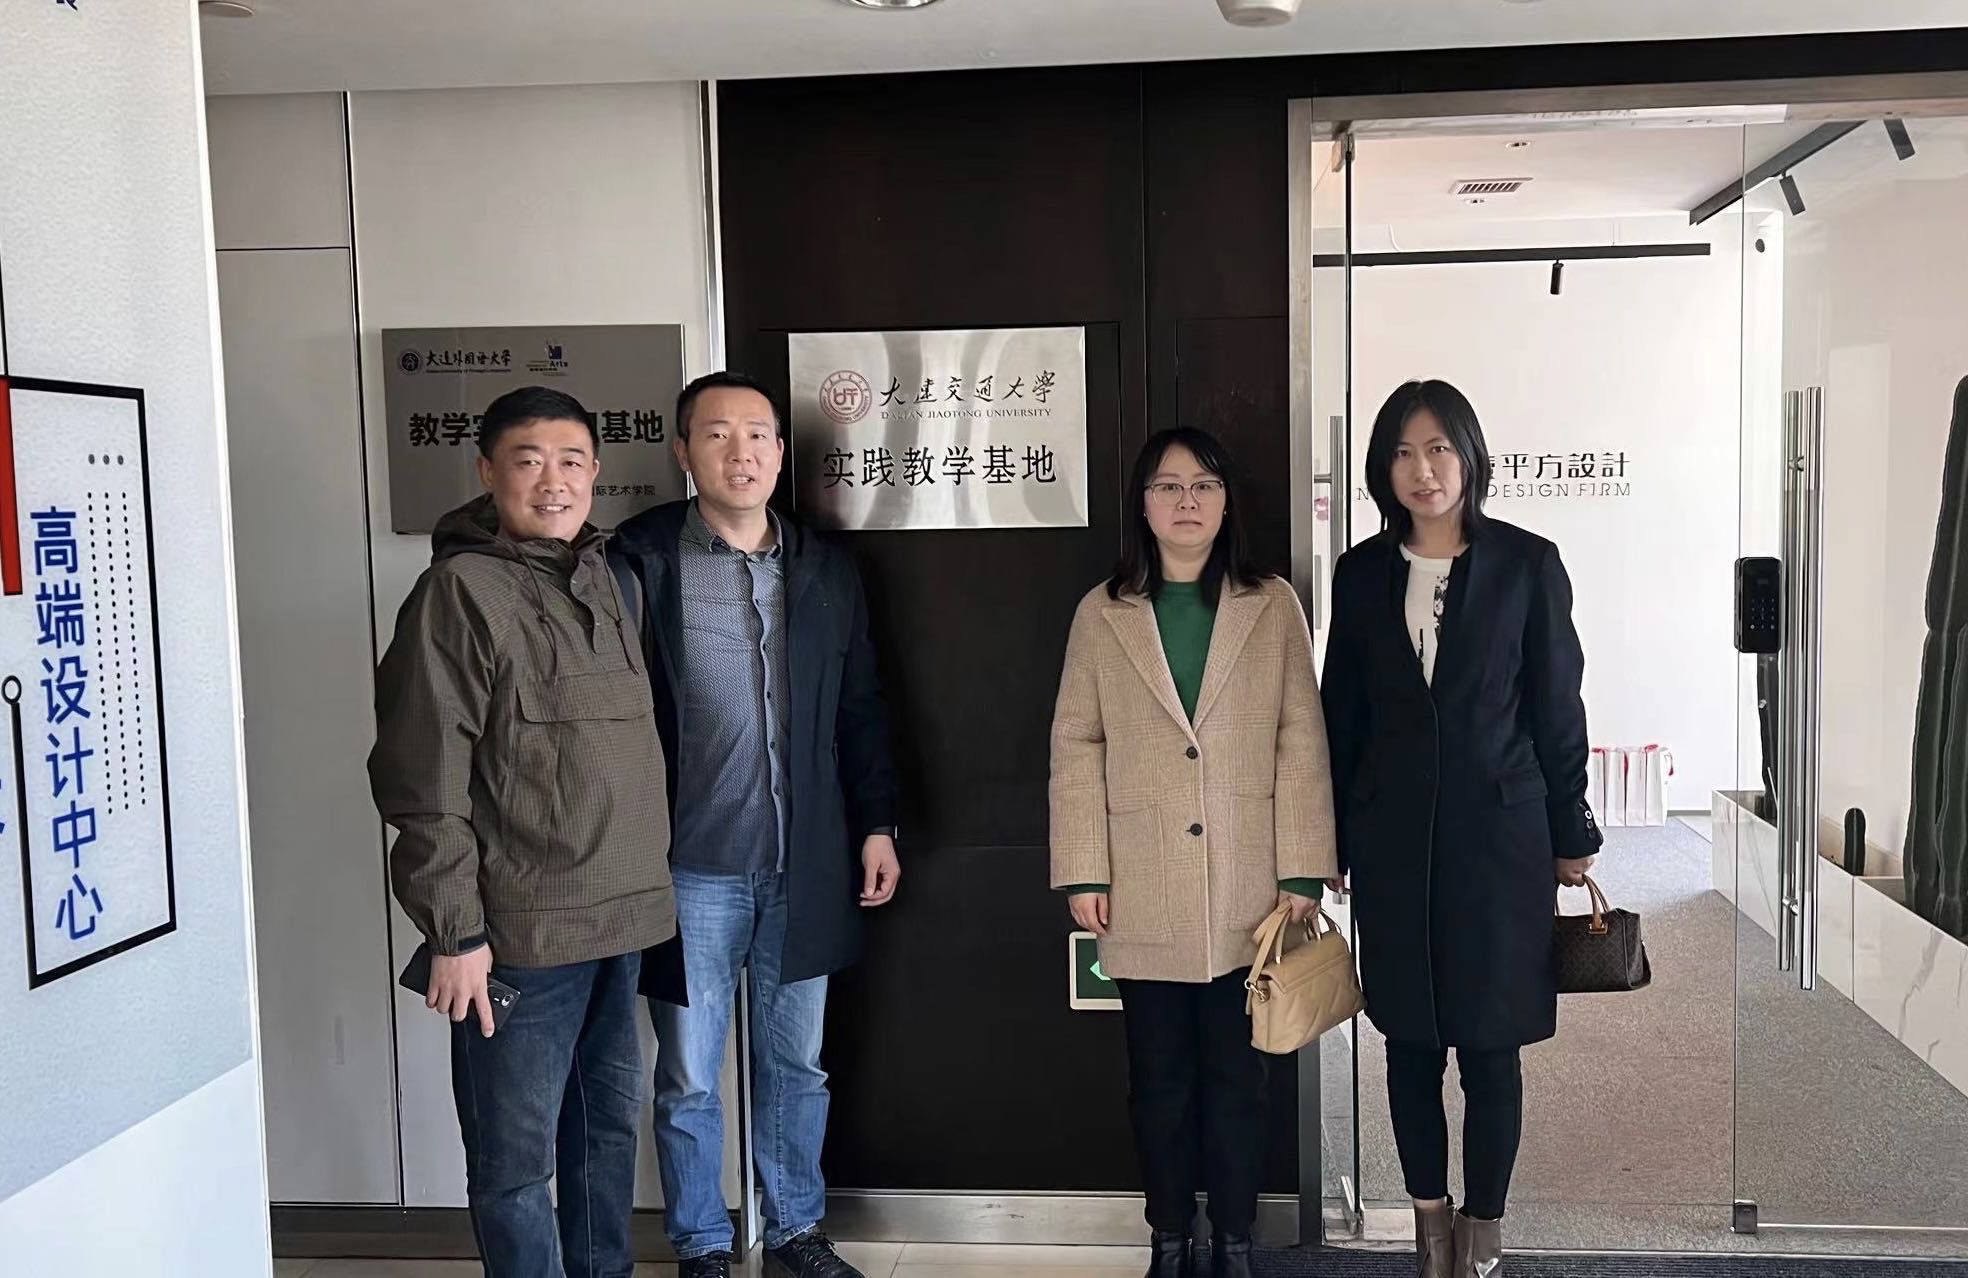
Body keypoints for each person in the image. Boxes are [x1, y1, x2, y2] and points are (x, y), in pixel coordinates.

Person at [369, 385, 676, 1278]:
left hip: (624, 924)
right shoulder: (458, 592)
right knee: (514, 1165)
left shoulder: (608, 577)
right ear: (486, 471)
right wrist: (454, 933)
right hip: (521, 938)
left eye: (572, 461)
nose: (554, 482)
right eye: (528, 461)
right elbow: (424, 778)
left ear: (596, 471)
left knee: (604, 1139)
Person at [608, 371, 900, 1278]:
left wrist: (878, 823)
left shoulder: (823, 568)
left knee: (797, 1066)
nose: (741, 453)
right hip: (687, 868)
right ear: (683, 451)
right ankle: (701, 1242)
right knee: (689, 1072)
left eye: (759, 435)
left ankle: (796, 1231)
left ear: (780, 450)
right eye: (717, 434)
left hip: (802, 864)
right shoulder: (640, 562)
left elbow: (861, 705)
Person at [1322, 380, 1601, 1278]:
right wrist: (1330, 838)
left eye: (1439, 448)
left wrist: (1570, 827)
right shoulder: (1361, 572)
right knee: (1408, 1041)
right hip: (1393, 841)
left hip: (1500, 843)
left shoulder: (1526, 564)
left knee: (1489, 1044)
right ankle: (1429, 1223)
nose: (1423, 469)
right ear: (1384, 468)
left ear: (1470, 456)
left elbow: (1557, 707)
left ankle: (1483, 1231)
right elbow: (1342, 712)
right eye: (1404, 452)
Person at [1049, 428, 1339, 1278]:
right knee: (1159, 1083)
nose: (1186, 501)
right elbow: (1076, 741)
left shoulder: (1271, 604)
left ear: (1226, 502)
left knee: (1240, 1083)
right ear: (1142, 505)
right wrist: (1084, 868)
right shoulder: (1103, 611)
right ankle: (1170, 1239)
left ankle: (1235, 1241)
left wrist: (1302, 869)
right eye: (1168, 486)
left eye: (1204, 485)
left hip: (1251, 886)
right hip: (1141, 880)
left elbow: (1302, 738)